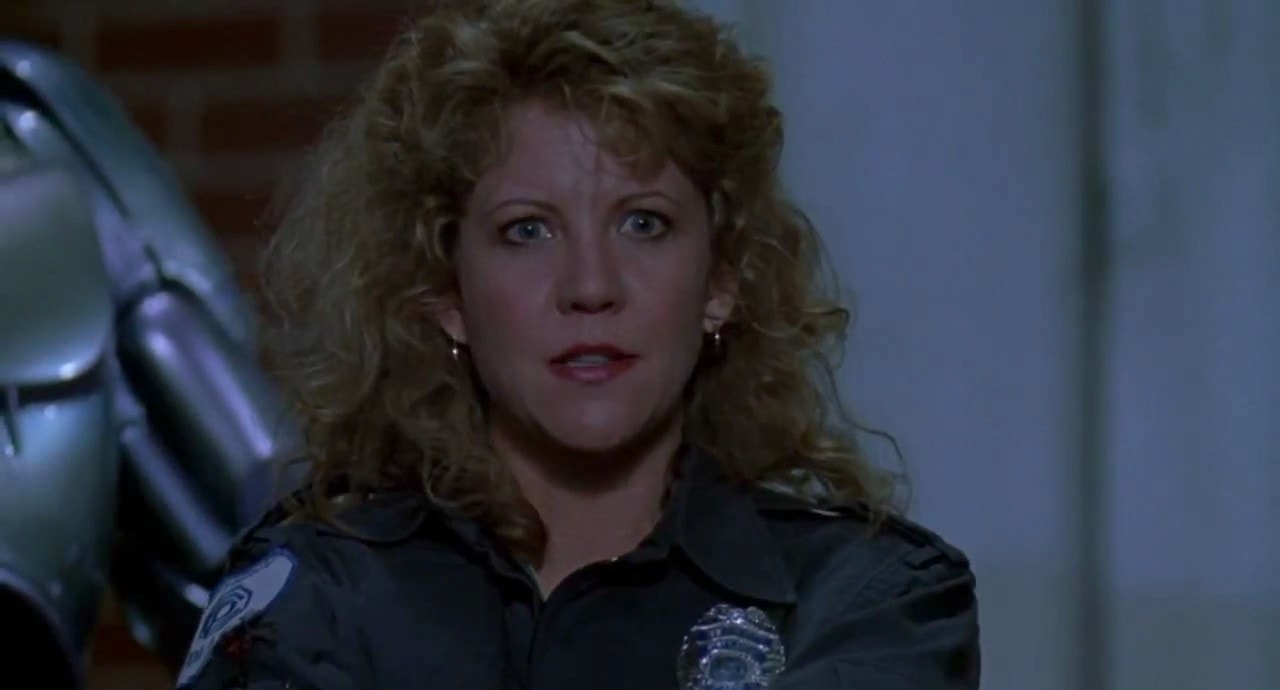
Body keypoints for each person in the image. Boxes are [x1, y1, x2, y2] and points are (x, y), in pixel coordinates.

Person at [175, 1, 980, 688]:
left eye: (644, 223)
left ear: (720, 282)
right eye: (528, 230)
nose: (591, 286)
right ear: (447, 295)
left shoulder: (868, 600)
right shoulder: (321, 592)